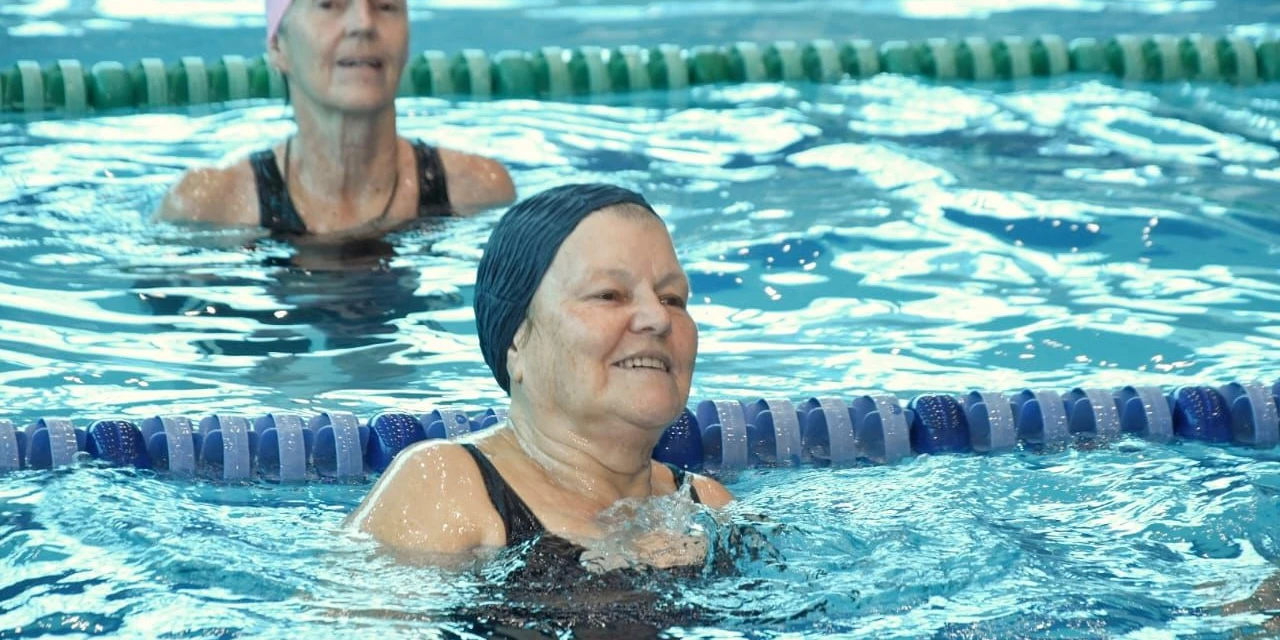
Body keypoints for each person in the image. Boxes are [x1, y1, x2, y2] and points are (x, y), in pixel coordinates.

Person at [349, 183, 733, 569]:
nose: (658, 318)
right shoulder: (443, 488)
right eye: (609, 295)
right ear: (516, 343)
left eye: (673, 299)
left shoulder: (711, 506)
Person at [155, 0, 515, 236]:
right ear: (278, 47)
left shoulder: (478, 191)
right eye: (330, 4)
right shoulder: (209, 207)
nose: (363, 23)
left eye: (386, 6)